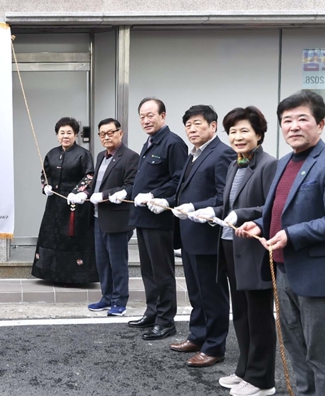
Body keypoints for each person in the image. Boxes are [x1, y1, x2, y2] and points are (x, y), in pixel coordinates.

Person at [237, 90, 325, 396]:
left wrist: (293, 235)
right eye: (287, 120)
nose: (293, 126)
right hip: (284, 270)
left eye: (302, 119)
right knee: (296, 349)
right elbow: (278, 211)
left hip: (319, 275)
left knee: (323, 356)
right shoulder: (284, 163)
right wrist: (260, 224)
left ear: (320, 124)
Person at [190, 106, 278, 396]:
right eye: (233, 132)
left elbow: (272, 209)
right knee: (240, 313)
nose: (237, 137)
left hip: (253, 249)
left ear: (259, 134)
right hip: (230, 246)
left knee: (259, 315)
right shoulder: (234, 165)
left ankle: (262, 379)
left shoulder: (268, 165)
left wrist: (241, 214)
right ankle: (244, 370)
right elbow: (228, 206)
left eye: (244, 131)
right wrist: (211, 211)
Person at [148, 105, 235, 367]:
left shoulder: (222, 153)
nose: (192, 129)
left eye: (198, 123)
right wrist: (166, 201)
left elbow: (224, 198)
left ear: (213, 126)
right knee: (197, 292)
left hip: (208, 237)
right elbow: (183, 189)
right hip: (189, 235)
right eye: (188, 125)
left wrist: (195, 207)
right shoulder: (193, 154)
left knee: (212, 294)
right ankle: (198, 336)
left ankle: (214, 347)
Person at [129, 98, 188, 340]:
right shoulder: (150, 142)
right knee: (148, 271)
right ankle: (152, 312)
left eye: (150, 115)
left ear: (163, 116)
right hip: (143, 218)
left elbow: (179, 180)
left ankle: (165, 320)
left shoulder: (173, 143)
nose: (146, 120)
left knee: (162, 272)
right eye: (142, 116)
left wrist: (154, 195)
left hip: (159, 218)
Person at [70, 118, 139, 316]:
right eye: (102, 134)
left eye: (110, 133)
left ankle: (120, 300)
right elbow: (95, 185)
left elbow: (131, 186)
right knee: (102, 261)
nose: (106, 137)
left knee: (117, 262)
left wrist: (105, 195)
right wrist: (84, 193)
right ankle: (106, 297)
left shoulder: (131, 157)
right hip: (97, 217)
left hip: (117, 219)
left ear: (120, 133)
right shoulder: (101, 156)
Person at [31, 117, 98, 284]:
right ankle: (50, 274)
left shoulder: (83, 154)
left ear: (75, 135)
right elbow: (44, 174)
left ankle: (75, 277)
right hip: (54, 203)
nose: (65, 136)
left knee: (72, 237)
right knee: (51, 235)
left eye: (69, 133)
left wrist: (77, 192)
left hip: (75, 203)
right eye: (62, 133)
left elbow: (89, 176)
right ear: (57, 135)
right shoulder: (52, 154)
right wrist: (45, 186)